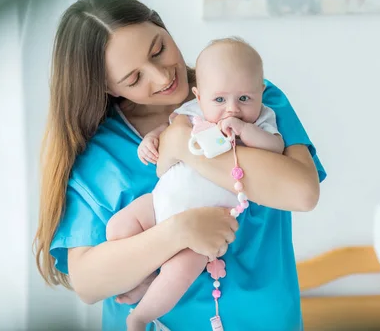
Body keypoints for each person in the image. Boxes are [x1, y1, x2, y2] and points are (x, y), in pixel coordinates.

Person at [33, 0, 326, 331]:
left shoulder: (247, 99)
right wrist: (179, 232)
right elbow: (88, 282)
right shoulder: (100, 152)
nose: (161, 77)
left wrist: (182, 144)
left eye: (158, 50)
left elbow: (302, 192)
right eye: (134, 78)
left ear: (161, 25)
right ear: (107, 87)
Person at [106, 37, 286, 331]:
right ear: (199, 96)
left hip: (205, 227)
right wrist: (151, 139)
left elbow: (276, 147)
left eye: (245, 98)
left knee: (181, 272)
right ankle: (146, 278)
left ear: (260, 93)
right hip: (159, 203)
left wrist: (244, 131)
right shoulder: (192, 113)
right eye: (219, 99)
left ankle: (140, 316)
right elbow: (168, 131)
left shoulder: (262, 120)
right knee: (118, 227)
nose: (232, 110)